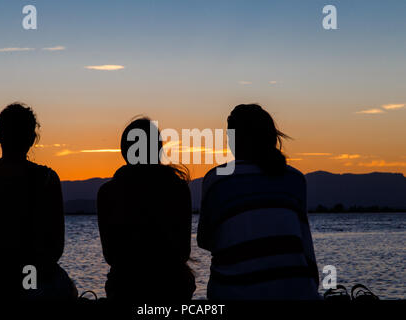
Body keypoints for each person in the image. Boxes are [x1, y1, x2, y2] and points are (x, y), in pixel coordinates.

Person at [198, 104, 320, 300]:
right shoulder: (294, 179)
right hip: (299, 292)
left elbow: (204, 241)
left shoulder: (218, 179)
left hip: (235, 293)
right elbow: (304, 243)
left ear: (234, 139)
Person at [0, 103, 77, 300]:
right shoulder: (47, 179)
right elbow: (55, 248)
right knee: (67, 290)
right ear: (32, 139)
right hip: (35, 280)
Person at [97, 117, 195, 300]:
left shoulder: (107, 193)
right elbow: (183, 253)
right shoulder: (178, 189)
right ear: (157, 149)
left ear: (124, 151)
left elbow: (111, 256)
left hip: (125, 288)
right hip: (173, 287)